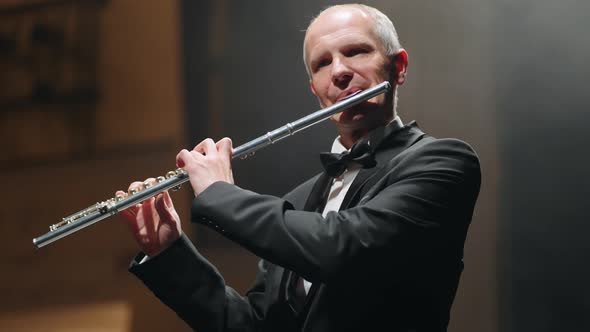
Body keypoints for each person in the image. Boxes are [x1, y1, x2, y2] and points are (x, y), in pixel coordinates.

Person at [118, 4, 481, 332]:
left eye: (355, 51)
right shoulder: (300, 200)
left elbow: (343, 247)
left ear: (398, 67)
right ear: (315, 89)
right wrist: (169, 254)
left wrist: (221, 195)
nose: (339, 71)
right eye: (322, 63)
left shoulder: (441, 162)